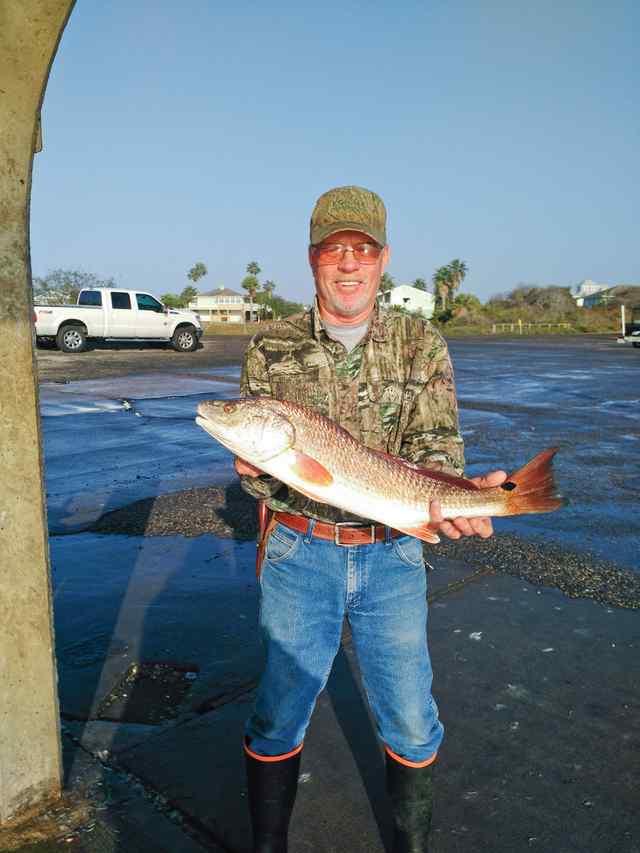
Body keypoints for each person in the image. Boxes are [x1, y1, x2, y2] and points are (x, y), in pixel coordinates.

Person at [235, 186, 506, 853]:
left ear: (383, 259)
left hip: (393, 552)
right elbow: (261, 457)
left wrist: (459, 495)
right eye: (334, 250)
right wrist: (252, 470)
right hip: (301, 550)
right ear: (312, 259)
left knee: (412, 719)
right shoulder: (271, 346)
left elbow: (438, 445)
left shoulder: (421, 343)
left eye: (362, 249)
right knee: (276, 715)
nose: (348, 263)